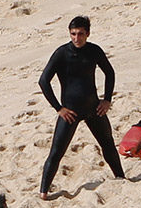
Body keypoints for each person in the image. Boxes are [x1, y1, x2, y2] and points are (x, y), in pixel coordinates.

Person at [37, 16, 126, 197]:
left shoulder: (94, 51)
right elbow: (43, 81)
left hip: (94, 109)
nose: (76, 38)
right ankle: (43, 192)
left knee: (108, 144)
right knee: (56, 152)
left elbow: (109, 72)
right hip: (70, 112)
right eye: (73, 34)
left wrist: (107, 99)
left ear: (88, 34)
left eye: (81, 34)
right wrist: (58, 108)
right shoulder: (62, 53)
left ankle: (121, 178)